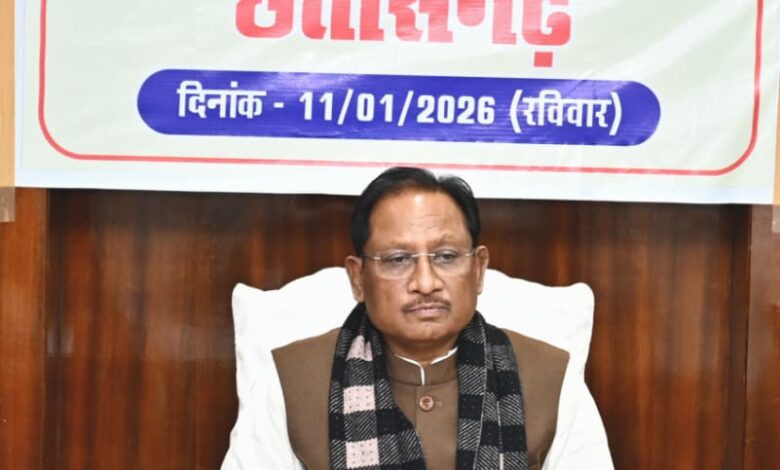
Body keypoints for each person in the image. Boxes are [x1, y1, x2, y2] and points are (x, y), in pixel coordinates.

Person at [270, 167, 613, 469]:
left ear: (478, 270)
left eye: (446, 256)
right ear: (358, 278)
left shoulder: (550, 378)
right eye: (398, 259)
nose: (425, 283)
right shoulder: (290, 381)